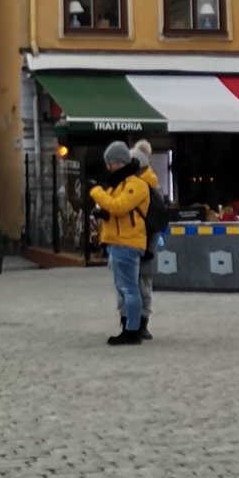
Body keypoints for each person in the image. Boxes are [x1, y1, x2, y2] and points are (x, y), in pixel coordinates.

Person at [90, 141, 150, 347]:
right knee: (124, 288)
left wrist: (96, 191)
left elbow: (119, 206)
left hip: (127, 242)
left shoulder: (136, 184)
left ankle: (133, 331)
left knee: (129, 288)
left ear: (122, 162)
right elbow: (114, 209)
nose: (109, 167)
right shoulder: (119, 184)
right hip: (118, 241)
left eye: (112, 163)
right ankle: (128, 327)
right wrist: (103, 213)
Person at [130, 138, 162, 340]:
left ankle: (135, 323)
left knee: (133, 285)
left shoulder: (138, 186)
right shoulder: (154, 184)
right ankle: (141, 324)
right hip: (145, 243)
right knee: (143, 285)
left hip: (136, 242)